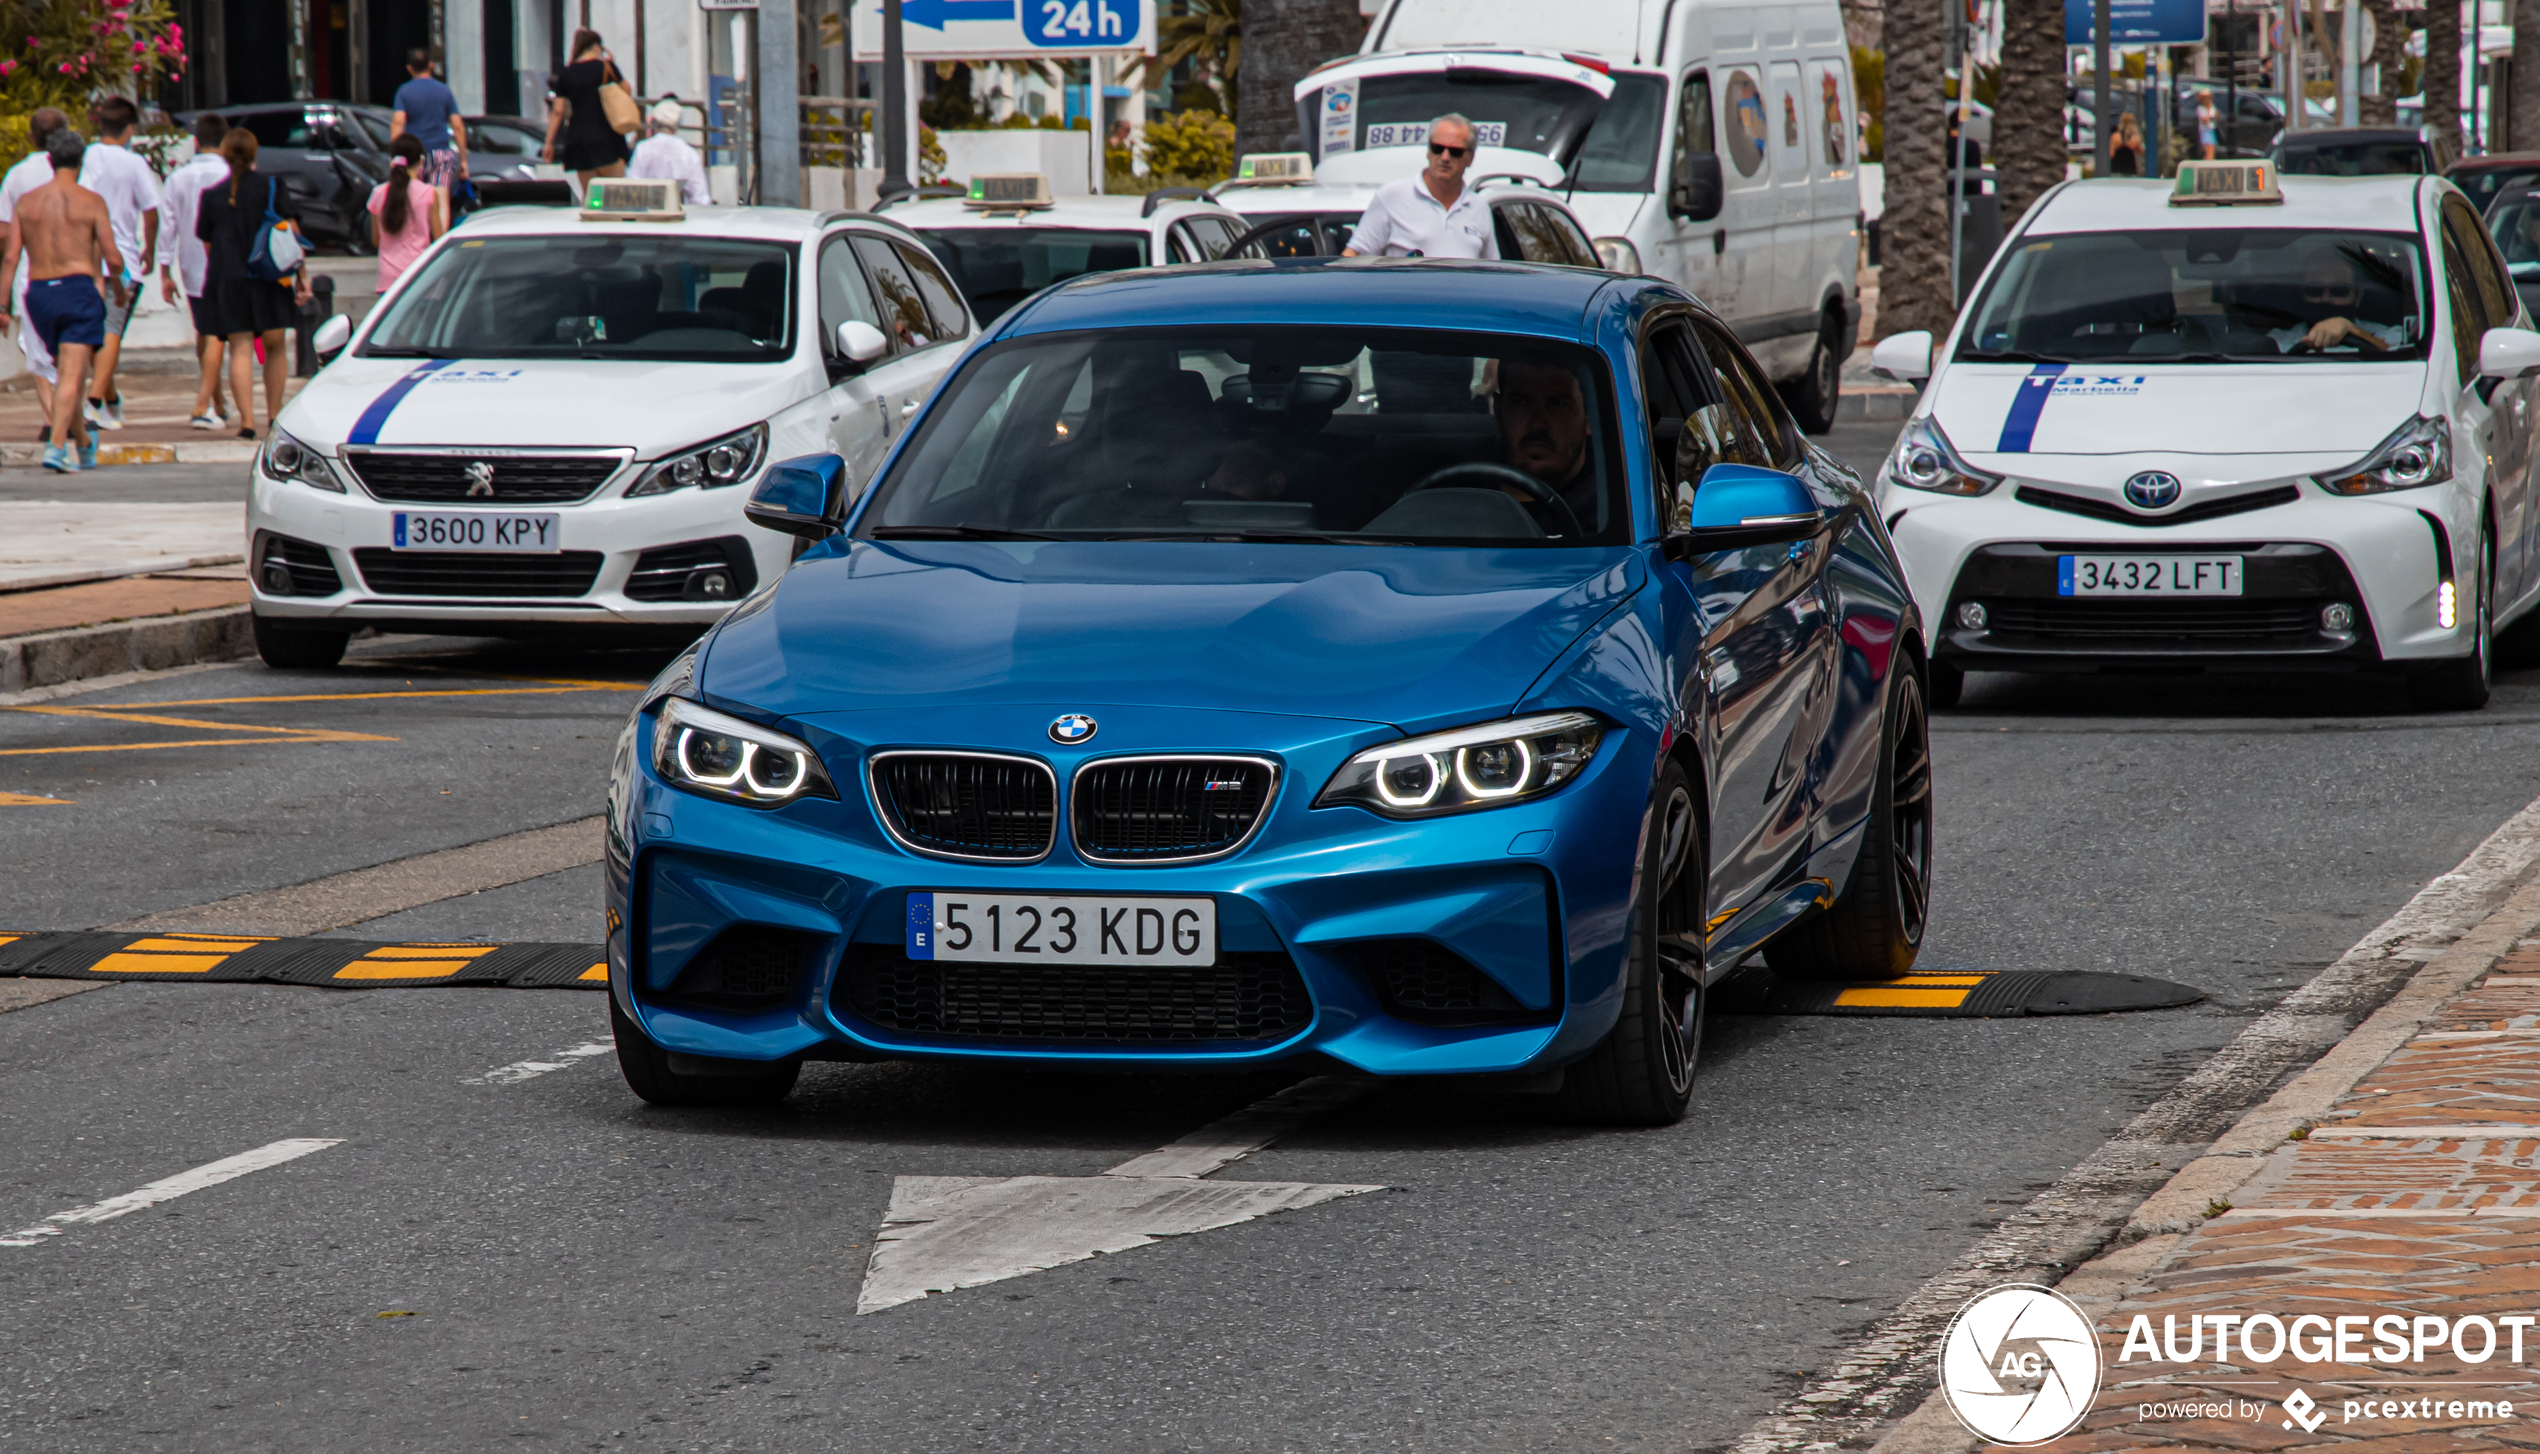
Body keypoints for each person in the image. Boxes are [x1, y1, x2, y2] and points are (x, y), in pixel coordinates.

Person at [0, 129, 124, 472]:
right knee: (72, 373)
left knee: (64, 371)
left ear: (50, 160)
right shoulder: (90, 200)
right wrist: (120, 288)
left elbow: (10, 257)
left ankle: (83, 443)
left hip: (39, 294)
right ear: (80, 161)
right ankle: (56, 448)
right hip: (77, 289)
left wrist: (3, 304)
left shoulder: (27, 202)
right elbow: (113, 257)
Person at [196, 128, 312, 441]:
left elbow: (207, 244)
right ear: (254, 154)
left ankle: (247, 421)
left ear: (223, 154)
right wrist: (301, 277)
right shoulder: (273, 186)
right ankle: (274, 415)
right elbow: (291, 233)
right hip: (270, 278)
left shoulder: (212, 195)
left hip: (228, 279)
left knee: (241, 349)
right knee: (274, 347)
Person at [78, 95, 161, 432]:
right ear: (130, 130)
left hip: (86, 256)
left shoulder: (86, 157)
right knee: (111, 331)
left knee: (98, 335)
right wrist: (150, 249)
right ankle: (96, 403)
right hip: (123, 258)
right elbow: (151, 211)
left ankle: (109, 400)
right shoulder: (134, 164)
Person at [160, 110, 235, 431]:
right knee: (216, 334)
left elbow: (168, 226)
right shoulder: (231, 175)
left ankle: (216, 401)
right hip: (226, 263)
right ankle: (202, 405)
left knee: (205, 333)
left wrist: (164, 270)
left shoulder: (178, 178)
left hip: (191, 265)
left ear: (195, 141)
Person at [0, 107, 71, 439]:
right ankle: (69, 413)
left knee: (35, 347)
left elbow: (5, 234)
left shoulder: (17, 175)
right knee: (70, 347)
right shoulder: (73, 171)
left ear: (32, 136)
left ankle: (51, 414)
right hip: (74, 269)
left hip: (31, 272)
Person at [1341, 114, 1498, 259]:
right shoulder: (1392, 196)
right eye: (1437, 148)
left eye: (1455, 151)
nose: (1445, 157)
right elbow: (1354, 255)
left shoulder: (1479, 206)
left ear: (1470, 158)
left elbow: (1492, 271)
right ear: (1428, 152)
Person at [1492, 354, 1595, 533]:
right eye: (1521, 403)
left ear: (1590, 418)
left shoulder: (1615, 510)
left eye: (1558, 404)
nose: (1536, 424)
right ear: (1499, 411)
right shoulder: (1458, 496)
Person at [2270, 247, 2402, 354]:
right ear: (2302, 293)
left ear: (2357, 296)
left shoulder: (2388, 333)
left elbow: (2399, 355)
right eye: (2315, 290)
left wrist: (2350, 329)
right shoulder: (2279, 340)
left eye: (2339, 290)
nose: (2326, 298)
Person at [543, 30, 632, 186]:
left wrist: (548, 143)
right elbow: (627, 91)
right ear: (597, 47)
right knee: (615, 195)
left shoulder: (566, 73)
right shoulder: (606, 67)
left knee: (591, 198)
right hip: (607, 139)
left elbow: (558, 111)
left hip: (579, 142)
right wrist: (612, 67)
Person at [388, 47, 469, 203]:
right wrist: (463, 160)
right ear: (431, 65)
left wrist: (395, 156)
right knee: (440, 199)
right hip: (441, 154)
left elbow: (398, 122)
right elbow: (458, 126)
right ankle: (441, 227)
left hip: (414, 156)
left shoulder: (404, 92)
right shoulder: (444, 91)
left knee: (414, 199)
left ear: (409, 68)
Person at [368, 134, 446, 292]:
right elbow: (438, 240)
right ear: (422, 161)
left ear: (391, 161)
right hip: (418, 275)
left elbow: (376, 241)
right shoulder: (428, 193)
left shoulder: (378, 193)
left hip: (387, 279)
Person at [627, 99, 711, 206]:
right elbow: (700, 196)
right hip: (680, 211)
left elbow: (632, 184)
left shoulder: (642, 148)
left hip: (648, 212)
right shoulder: (689, 153)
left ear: (654, 123)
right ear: (677, 124)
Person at [2109, 112, 2146, 177]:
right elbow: (2141, 153)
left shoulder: (2114, 137)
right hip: (2130, 169)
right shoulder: (2135, 138)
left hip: (2116, 169)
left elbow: (2111, 154)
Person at [2196, 90, 2220, 160]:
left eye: (2209, 97)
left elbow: (2215, 115)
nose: (2208, 99)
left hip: (2211, 130)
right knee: (2208, 149)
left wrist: (2211, 116)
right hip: (2205, 131)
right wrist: (2211, 117)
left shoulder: (2212, 107)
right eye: (2206, 98)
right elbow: (2204, 119)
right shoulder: (2200, 108)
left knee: (2211, 150)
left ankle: (2207, 164)